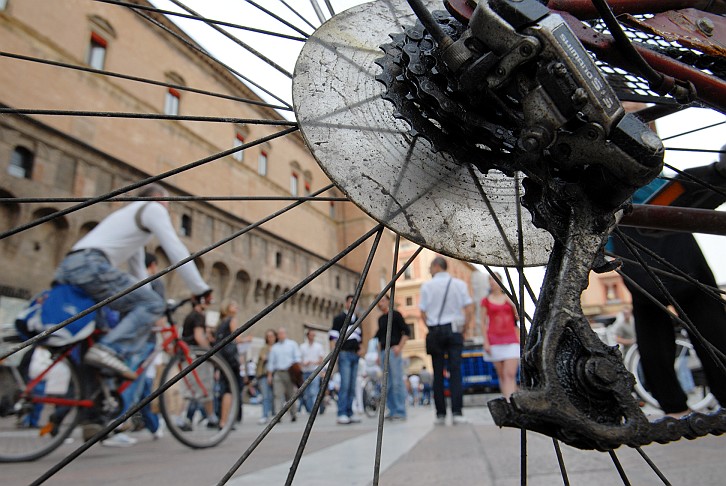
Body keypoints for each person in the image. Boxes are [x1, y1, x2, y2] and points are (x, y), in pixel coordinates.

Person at [53, 183, 210, 380]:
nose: (167, 210)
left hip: (71, 266)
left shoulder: (131, 221)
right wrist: (201, 288)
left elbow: (138, 273)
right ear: (159, 199)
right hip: (89, 265)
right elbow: (176, 249)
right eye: (167, 204)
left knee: (97, 338)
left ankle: (87, 398)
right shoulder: (153, 208)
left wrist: (149, 300)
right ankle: (108, 349)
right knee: (152, 304)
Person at [611, 153, 726, 418]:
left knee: (653, 321)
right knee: (707, 315)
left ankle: (673, 406)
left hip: (628, 229)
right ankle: (692, 400)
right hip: (659, 215)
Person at [419, 256, 474, 425]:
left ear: (437, 266)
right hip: (454, 330)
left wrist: (432, 326)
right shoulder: (459, 284)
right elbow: (469, 308)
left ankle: (440, 414)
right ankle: (457, 412)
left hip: (435, 330)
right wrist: (464, 328)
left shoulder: (427, 286)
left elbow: (422, 312)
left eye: (430, 267)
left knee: (437, 373)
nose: (429, 270)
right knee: (455, 372)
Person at [480, 273, 520, 400]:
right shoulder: (485, 301)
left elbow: (519, 317)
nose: (492, 282)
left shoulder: (508, 298)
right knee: (502, 375)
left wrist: (513, 304)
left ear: (501, 282)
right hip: (494, 340)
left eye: (494, 279)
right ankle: (508, 400)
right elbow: (482, 322)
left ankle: (512, 401)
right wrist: (485, 342)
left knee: (510, 373)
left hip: (511, 339)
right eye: (490, 280)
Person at [215, 300, 251, 429]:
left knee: (225, 389)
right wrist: (248, 339)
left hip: (222, 358)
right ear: (227, 308)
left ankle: (223, 420)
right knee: (230, 390)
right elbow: (237, 339)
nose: (236, 307)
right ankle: (225, 421)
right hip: (230, 359)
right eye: (233, 305)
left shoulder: (220, 323)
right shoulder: (232, 320)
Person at [375, 294, 410, 420]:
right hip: (384, 352)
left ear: (389, 301)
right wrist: (378, 355)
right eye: (379, 301)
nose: (381, 303)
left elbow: (406, 332)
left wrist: (399, 347)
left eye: (383, 300)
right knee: (387, 383)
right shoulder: (380, 319)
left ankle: (400, 411)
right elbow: (379, 339)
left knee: (396, 381)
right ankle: (392, 410)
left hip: (393, 350)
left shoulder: (396, 315)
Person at [329, 294, 363, 425]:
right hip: (344, 353)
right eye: (351, 302)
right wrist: (335, 354)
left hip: (355, 355)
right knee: (345, 384)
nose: (354, 304)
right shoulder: (339, 319)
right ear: (346, 303)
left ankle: (349, 412)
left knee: (352, 385)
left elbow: (360, 339)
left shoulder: (358, 320)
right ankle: (342, 413)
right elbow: (332, 337)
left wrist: (361, 349)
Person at [266, 327, 302, 422]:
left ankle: (293, 414)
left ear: (285, 334)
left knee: (291, 394)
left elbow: (297, 358)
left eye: (282, 333)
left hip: (289, 372)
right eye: (279, 334)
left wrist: (296, 370)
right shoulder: (275, 347)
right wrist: (269, 375)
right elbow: (271, 362)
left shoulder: (292, 344)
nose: (281, 335)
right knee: (278, 395)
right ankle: (278, 416)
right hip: (278, 373)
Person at [299, 328, 325, 414]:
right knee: (307, 392)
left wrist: (312, 362)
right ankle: (310, 409)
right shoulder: (302, 347)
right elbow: (299, 360)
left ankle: (315, 409)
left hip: (315, 371)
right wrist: (304, 363)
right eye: (311, 335)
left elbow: (321, 360)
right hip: (305, 371)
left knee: (314, 391)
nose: (312, 337)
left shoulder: (318, 346)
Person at [256, 329, 277, 424]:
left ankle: (274, 414)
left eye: (272, 336)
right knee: (265, 396)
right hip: (264, 375)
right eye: (268, 337)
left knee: (274, 395)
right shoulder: (264, 348)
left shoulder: (278, 347)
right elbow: (263, 358)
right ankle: (265, 415)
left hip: (276, 374)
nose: (270, 338)